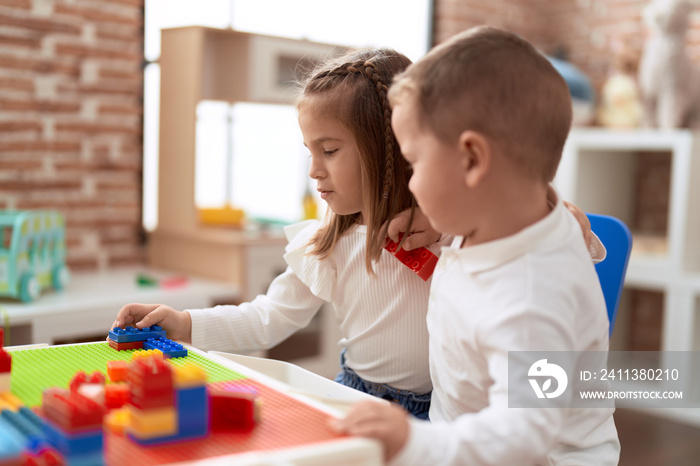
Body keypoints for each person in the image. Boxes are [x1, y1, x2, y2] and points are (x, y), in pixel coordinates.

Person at [111, 47, 600, 422]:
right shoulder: (324, 242)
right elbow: (268, 317)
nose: (314, 171)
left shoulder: (457, 224)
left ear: (393, 148)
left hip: (437, 413)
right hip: (352, 395)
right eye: (310, 151)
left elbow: (561, 233)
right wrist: (184, 322)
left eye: (329, 150)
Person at [334, 26, 620, 465]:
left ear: (471, 160)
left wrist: (413, 442)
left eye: (415, 163)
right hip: (457, 436)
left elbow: (522, 436)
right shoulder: (511, 216)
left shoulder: (531, 299)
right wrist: (439, 210)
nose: (411, 182)